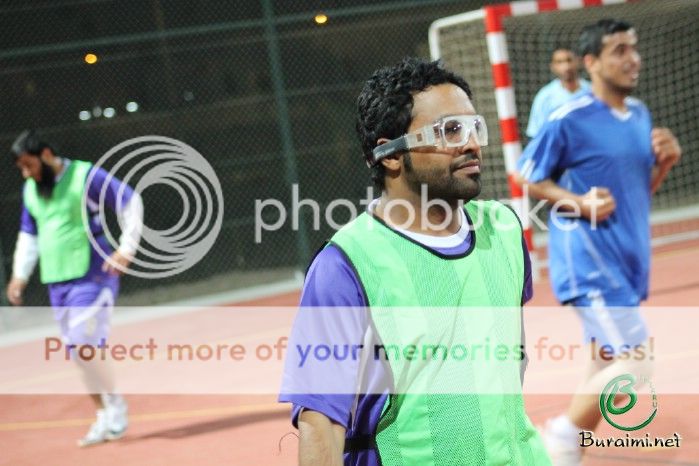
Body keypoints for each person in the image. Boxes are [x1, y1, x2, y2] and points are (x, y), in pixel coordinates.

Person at [279, 57, 550, 465]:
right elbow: (321, 425)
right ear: (390, 154)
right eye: (449, 131)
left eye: (473, 127)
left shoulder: (504, 230)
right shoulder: (346, 266)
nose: (471, 144)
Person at [515, 19, 682, 465]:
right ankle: (561, 436)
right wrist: (579, 203)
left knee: (605, 363)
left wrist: (664, 165)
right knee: (639, 363)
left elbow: (635, 193)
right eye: (619, 50)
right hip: (590, 263)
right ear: (591, 62)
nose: (633, 58)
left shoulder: (640, 115)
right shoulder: (568, 119)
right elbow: (527, 175)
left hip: (627, 260)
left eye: (634, 48)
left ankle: (567, 449)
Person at [6, 130, 144, 447]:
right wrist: (19, 275)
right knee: (79, 353)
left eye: (29, 165)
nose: (26, 173)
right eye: (21, 168)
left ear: (45, 155)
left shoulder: (85, 176)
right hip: (57, 280)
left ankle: (115, 405)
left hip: (93, 275)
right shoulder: (32, 190)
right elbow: (29, 235)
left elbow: (130, 200)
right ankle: (103, 414)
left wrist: (127, 248)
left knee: (84, 342)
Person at [526, 46, 590, 138]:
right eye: (560, 62)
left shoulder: (592, 91)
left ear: (578, 61)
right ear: (552, 66)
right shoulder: (545, 96)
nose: (566, 66)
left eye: (569, 60)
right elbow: (537, 133)